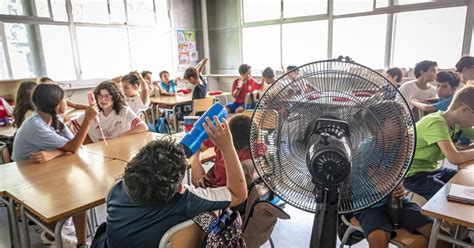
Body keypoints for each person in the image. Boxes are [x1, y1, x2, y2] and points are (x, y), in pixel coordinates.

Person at [91, 116, 248, 247]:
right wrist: (227, 146)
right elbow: (238, 194)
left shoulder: (116, 189)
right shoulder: (187, 200)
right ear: (180, 188)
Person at [12, 84, 99, 247]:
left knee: (79, 192)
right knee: (78, 195)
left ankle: (68, 238)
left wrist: (54, 153)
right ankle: (68, 238)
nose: (67, 101)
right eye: (64, 98)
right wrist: (87, 120)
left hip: (46, 171)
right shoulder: (35, 126)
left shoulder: (53, 119)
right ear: (56, 105)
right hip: (27, 180)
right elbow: (73, 147)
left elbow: (74, 146)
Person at [353, 101, 439, 248]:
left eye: (404, 120)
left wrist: (405, 148)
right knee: (378, 238)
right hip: (368, 204)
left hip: (396, 201)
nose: (404, 125)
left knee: (435, 231)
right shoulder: (367, 149)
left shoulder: (400, 143)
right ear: (376, 127)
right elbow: (383, 185)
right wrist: (396, 184)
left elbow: (399, 176)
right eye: (397, 121)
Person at [404, 86, 474, 201]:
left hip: (434, 169)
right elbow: (454, 158)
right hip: (414, 175)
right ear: (463, 109)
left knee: (466, 181)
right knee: (450, 198)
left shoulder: (457, 123)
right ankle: (443, 218)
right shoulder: (436, 123)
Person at [191, 114, 262, 188]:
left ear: (254, 141)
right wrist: (195, 164)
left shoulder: (258, 149)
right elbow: (197, 148)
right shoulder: (220, 134)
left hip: (234, 189)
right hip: (214, 183)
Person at [71, 81, 148, 143]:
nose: (102, 100)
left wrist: (122, 135)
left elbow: (143, 127)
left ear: (114, 97)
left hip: (121, 148)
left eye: (107, 96)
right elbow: (71, 126)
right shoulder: (93, 113)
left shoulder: (124, 111)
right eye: (99, 96)